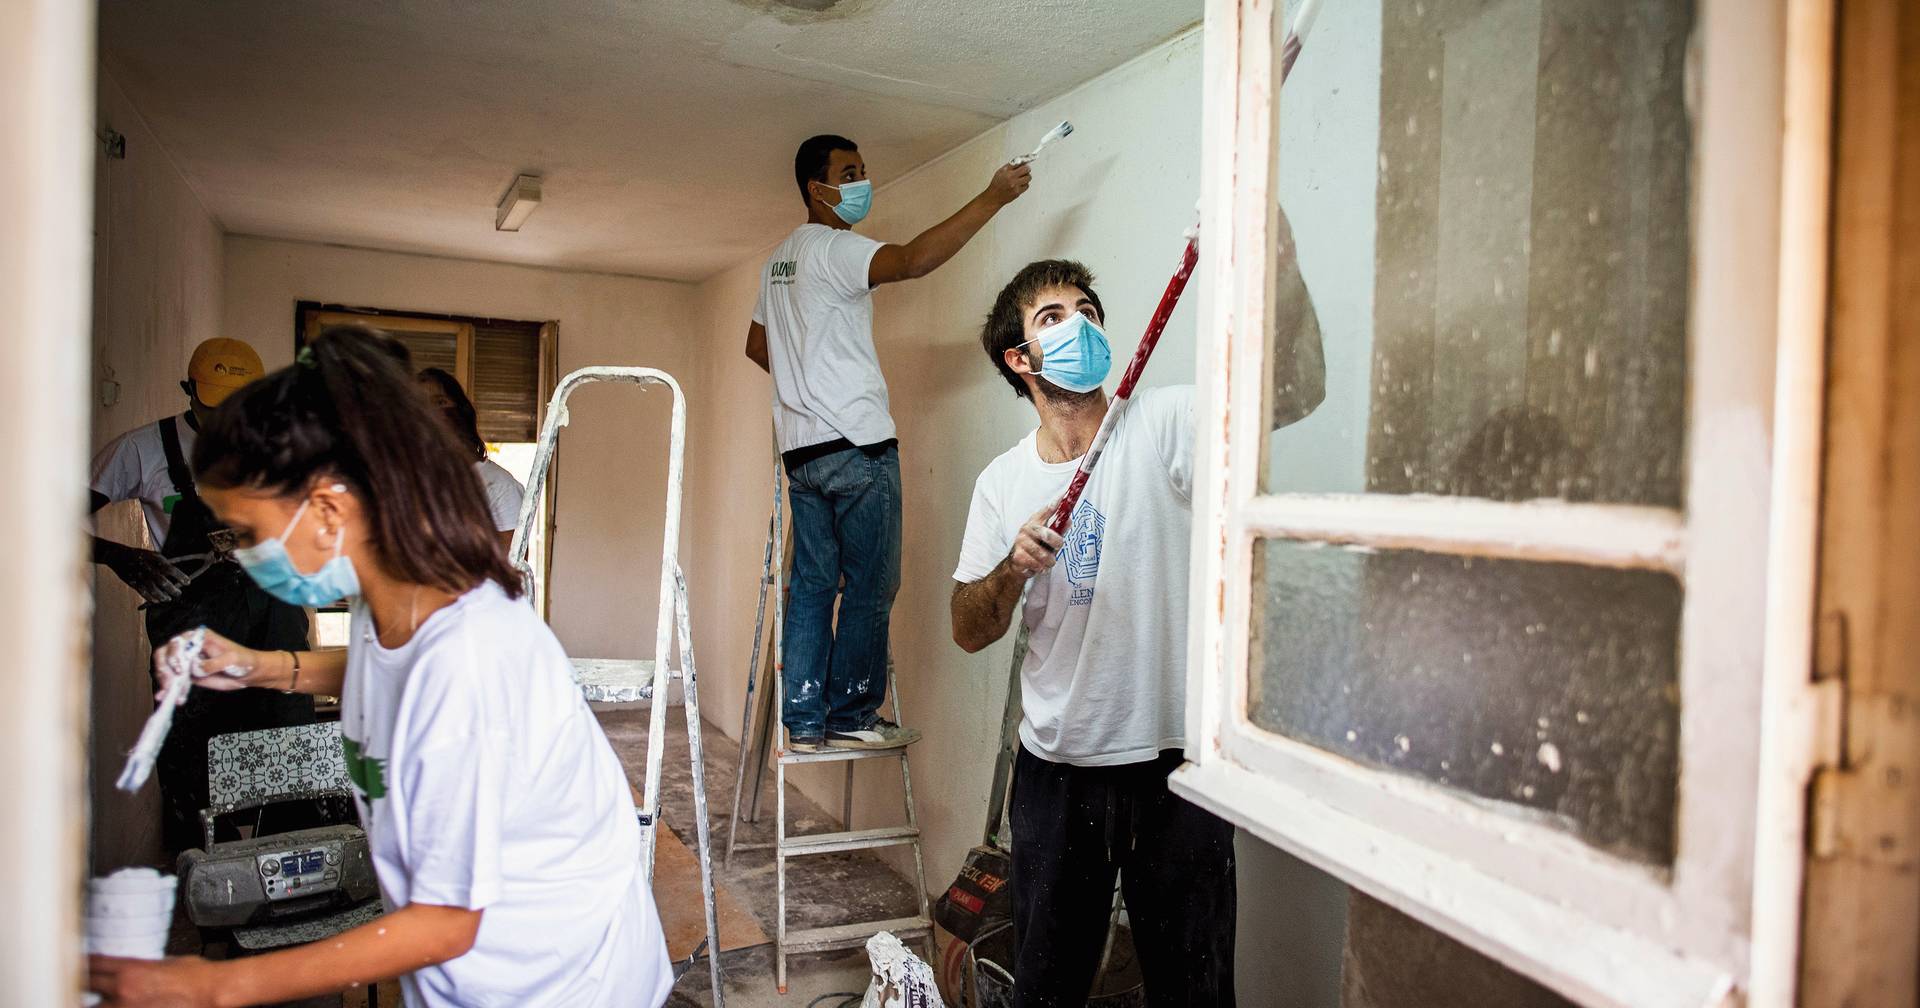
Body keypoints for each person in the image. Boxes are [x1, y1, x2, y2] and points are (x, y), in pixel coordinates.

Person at [89, 326, 673, 1008]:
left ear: (330, 511)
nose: (240, 556)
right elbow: (380, 670)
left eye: (247, 533)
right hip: (476, 973)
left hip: (560, 981)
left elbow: (446, 923)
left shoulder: (470, 661)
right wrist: (260, 667)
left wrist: (219, 986)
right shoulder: (394, 590)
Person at [949, 251, 1323, 1005]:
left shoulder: (1163, 424)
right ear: (1019, 359)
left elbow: (1296, 389)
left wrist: (1269, 240)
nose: (1079, 325)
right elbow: (967, 626)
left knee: (1195, 989)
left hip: (1177, 768)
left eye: (1088, 311)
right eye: (1053, 317)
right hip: (1057, 772)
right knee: (1047, 987)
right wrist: (1011, 569)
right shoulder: (1002, 483)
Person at [745, 133, 1032, 752]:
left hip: (803, 453)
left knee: (817, 585)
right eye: (849, 173)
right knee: (872, 586)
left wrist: (807, 383)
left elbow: (756, 346)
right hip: (857, 447)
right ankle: (850, 713)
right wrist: (993, 198)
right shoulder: (831, 248)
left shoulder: (778, 262)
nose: (861, 182)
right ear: (816, 188)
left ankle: (802, 719)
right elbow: (911, 260)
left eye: (862, 169)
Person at [89, 337, 315, 856]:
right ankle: (209, 889)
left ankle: (282, 888)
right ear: (188, 390)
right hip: (192, 630)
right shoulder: (144, 448)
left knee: (285, 750)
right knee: (194, 765)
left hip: (273, 624)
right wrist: (120, 556)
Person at [417, 366, 526, 551]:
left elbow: (510, 564)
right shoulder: (410, 481)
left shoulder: (499, 485)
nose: (433, 413)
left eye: (440, 402)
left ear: (461, 411)